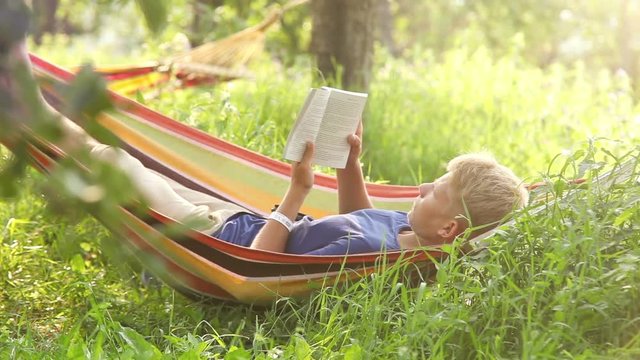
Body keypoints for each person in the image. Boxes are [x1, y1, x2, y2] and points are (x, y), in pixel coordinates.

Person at [1, 38, 529, 256]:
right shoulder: (403, 232)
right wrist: (350, 163)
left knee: (110, 161)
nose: (422, 186)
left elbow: (259, 270)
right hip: (238, 214)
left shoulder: (374, 258)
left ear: (451, 228)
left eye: (436, 188)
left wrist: (297, 194)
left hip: (219, 238)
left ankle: (31, 110)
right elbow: (359, 214)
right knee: (146, 166)